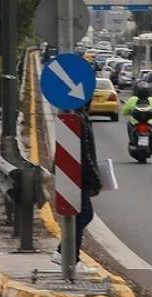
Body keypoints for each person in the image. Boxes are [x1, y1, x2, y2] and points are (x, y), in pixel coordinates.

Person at [51, 105, 102, 274]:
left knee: (81, 215)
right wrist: (95, 178)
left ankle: (64, 253)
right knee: (83, 215)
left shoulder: (77, 116)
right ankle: (70, 258)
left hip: (74, 174)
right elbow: (85, 153)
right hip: (77, 175)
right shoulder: (78, 118)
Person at [121, 81, 152, 145]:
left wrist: (129, 112)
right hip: (150, 122)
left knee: (129, 124)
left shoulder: (132, 99)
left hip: (134, 122)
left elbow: (124, 111)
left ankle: (132, 139)